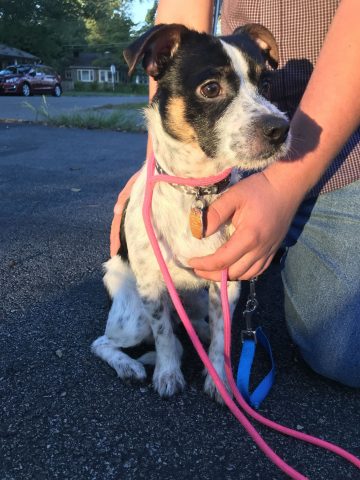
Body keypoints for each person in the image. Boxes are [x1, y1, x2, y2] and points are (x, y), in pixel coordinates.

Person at [111, 0, 360, 387]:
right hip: (217, 167)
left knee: (343, 352)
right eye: (213, 87)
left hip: (340, 151)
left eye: (260, 86)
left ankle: (226, 347)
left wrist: (280, 187)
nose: (267, 112)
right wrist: (156, 161)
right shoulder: (173, 64)